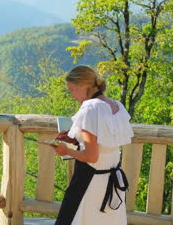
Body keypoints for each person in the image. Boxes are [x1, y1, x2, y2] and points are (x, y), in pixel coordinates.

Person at [52, 65, 134, 225]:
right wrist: (75, 140)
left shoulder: (90, 108)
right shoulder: (116, 106)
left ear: (83, 85)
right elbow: (105, 144)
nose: (71, 95)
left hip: (89, 184)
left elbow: (91, 156)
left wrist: (66, 150)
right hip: (111, 183)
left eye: (72, 90)